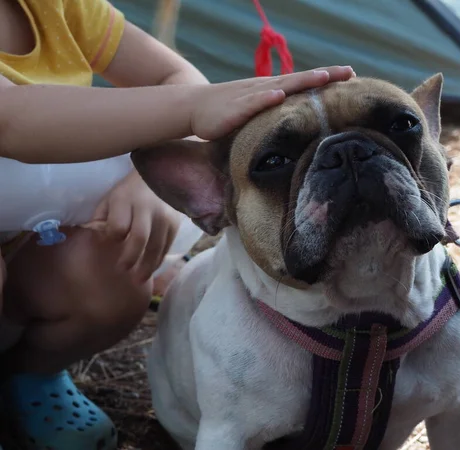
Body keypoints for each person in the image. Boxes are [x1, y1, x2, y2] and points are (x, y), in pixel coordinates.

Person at [0, 0, 355, 448]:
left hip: (24, 243)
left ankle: (28, 375)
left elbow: (177, 75)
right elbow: (11, 118)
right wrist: (193, 109)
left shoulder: (58, 7)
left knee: (117, 266)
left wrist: (146, 181)